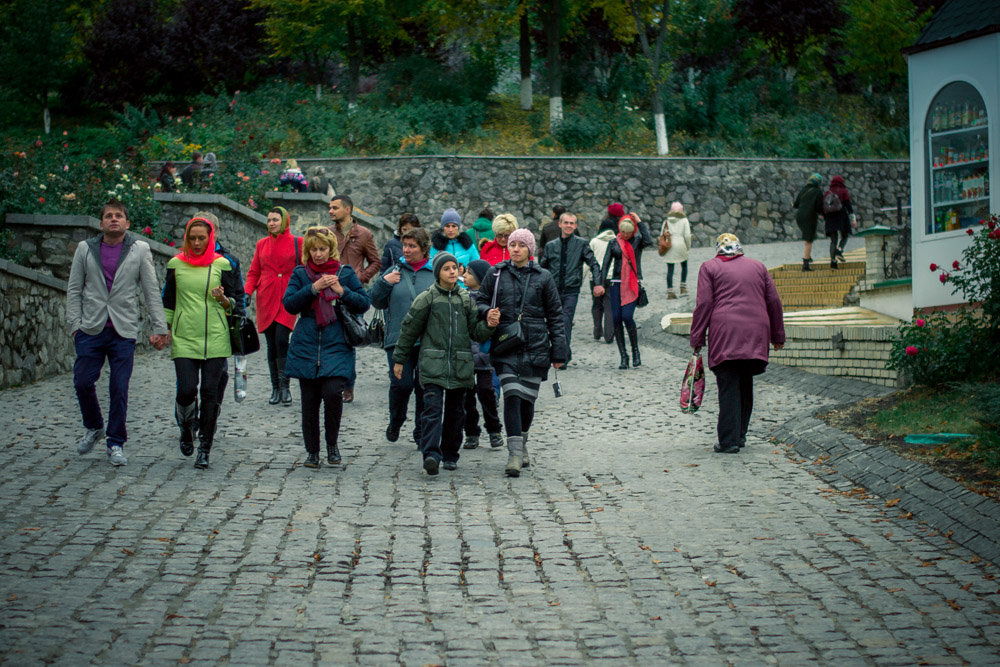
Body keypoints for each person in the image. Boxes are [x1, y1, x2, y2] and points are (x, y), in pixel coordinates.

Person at [67, 199, 170, 467]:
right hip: (90, 328)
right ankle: (94, 426)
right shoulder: (85, 250)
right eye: (109, 216)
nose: (114, 219)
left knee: (119, 388)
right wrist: (74, 326)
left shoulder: (139, 250)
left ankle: (115, 443)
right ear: (101, 223)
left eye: (119, 216)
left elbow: (150, 290)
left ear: (127, 223)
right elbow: (74, 289)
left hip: (123, 330)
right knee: (82, 382)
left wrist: (160, 328)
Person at [393, 252, 499, 475]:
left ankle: (450, 454)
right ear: (438, 273)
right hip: (432, 364)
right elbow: (409, 330)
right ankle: (430, 453)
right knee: (432, 410)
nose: (452, 272)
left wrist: (489, 325)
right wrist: (400, 359)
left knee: (455, 412)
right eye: (446, 268)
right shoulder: (427, 298)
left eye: (454, 268)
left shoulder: (466, 299)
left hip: (460, 366)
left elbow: (476, 333)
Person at [475, 227, 567, 477]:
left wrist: (559, 352)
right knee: (512, 396)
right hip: (506, 345)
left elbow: (556, 316)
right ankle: (514, 454)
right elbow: (480, 299)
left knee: (527, 402)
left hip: (536, 346)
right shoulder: (495, 273)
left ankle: (522, 443)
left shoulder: (544, 277)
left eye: (521, 245)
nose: (515, 248)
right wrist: (486, 312)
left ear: (530, 250)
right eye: (512, 244)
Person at [283, 227, 372, 468]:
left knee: (333, 394)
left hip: (337, 342)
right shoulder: (301, 273)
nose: (319, 254)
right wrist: (313, 288)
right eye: (314, 249)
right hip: (307, 342)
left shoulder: (343, 273)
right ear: (308, 251)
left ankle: (332, 444)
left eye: (322, 249)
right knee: (309, 403)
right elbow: (289, 304)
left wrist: (341, 292)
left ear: (330, 249)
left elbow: (363, 303)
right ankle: (312, 452)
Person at [162, 213, 245, 469]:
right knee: (186, 390)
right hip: (185, 337)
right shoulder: (175, 264)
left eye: (202, 238)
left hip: (216, 338)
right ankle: (186, 427)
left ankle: (205, 448)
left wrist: (223, 299)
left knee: (210, 394)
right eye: (192, 238)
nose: (197, 243)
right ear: (186, 238)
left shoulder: (224, 265)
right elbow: (169, 301)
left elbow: (234, 304)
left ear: (211, 238)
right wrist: (164, 329)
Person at [689, 233, 785, 454]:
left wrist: (697, 337)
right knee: (745, 382)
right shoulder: (758, 267)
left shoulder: (709, 267)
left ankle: (728, 440)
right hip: (756, 332)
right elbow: (773, 301)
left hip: (726, 332)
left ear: (718, 249)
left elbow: (704, 303)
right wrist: (778, 336)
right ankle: (740, 434)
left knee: (729, 384)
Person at [368, 227, 436, 447]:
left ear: (424, 248)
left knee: (422, 386)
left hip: (427, 340)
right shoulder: (394, 270)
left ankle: (421, 430)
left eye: (412, 246)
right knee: (401, 384)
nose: (406, 250)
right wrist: (384, 282)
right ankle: (396, 420)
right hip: (397, 338)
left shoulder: (435, 272)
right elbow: (375, 301)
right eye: (405, 245)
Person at [245, 206, 301, 406]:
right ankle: (275, 387)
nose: (271, 223)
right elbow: (254, 272)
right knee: (270, 344)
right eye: (269, 220)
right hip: (266, 297)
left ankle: (285, 386)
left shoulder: (297, 242)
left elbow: (304, 269)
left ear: (284, 221)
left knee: (281, 339)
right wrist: (247, 292)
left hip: (287, 296)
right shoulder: (262, 244)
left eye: (275, 219)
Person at [327, 194, 381, 403]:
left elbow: (375, 262)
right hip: (329, 292)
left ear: (348, 209)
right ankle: (331, 380)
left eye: (335, 208)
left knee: (350, 339)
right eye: (330, 208)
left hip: (352, 293)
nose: (331, 211)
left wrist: (360, 278)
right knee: (332, 337)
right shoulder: (327, 233)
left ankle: (348, 384)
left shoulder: (364, 234)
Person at [539, 211, 604, 364]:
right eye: (566, 222)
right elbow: (543, 268)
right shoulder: (551, 246)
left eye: (572, 223)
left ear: (575, 226)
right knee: (553, 322)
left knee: (565, 321)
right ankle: (563, 352)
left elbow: (594, 264)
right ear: (560, 224)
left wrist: (598, 283)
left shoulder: (581, 244)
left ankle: (562, 357)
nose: (568, 226)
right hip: (553, 291)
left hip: (571, 290)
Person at [600, 213, 654, 369]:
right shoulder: (613, 243)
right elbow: (605, 265)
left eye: (628, 232)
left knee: (627, 316)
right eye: (622, 232)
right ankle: (624, 356)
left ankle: (635, 350)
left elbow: (649, 241)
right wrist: (601, 284)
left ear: (633, 231)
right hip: (616, 283)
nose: (625, 235)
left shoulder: (637, 242)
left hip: (632, 283)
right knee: (616, 318)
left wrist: (639, 221)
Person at [461, 260, 504, 450]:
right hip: (466, 356)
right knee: (467, 398)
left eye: (469, 273)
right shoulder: (461, 297)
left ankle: (494, 430)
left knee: (487, 394)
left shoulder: (491, 301)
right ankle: (471, 432)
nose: (465, 276)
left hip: (485, 356)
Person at [588, 225, 616, 342]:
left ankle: (597, 330)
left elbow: (587, 259)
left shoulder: (594, 241)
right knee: (609, 306)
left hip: (595, 277)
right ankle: (609, 334)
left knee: (597, 304)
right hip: (611, 277)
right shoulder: (616, 241)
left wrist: (582, 277)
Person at [660, 202, 693, 298]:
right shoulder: (684, 220)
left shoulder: (666, 220)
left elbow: (662, 233)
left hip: (669, 245)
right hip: (681, 244)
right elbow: (687, 235)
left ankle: (670, 291)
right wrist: (688, 247)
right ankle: (683, 288)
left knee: (670, 269)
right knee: (684, 266)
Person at [824, 175, 856, 269]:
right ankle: (839, 250)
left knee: (833, 240)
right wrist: (853, 218)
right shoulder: (843, 190)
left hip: (830, 217)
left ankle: (833, 262)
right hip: (841, 215)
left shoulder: (827, 192)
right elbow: (848, 205)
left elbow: (824, 206)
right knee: (845, 235)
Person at [794, 173, 823, 272]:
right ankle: (806, 264)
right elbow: (819, 207)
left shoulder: (803, 190)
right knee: (808, 240)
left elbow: (796, 204)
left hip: (799, 216)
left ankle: (808, 257)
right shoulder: (818, 192)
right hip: (809, 216)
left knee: (807, 238)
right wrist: (822, 214)